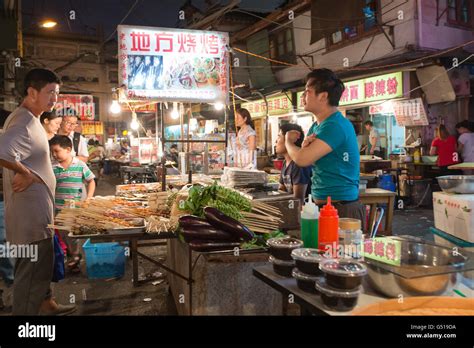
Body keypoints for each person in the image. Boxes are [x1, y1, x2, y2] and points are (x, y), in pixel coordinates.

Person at [0, 68, 76, 315]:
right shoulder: (23, 121)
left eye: (57, 92)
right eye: (50, 92)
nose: (55, 97)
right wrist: (25, 172)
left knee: (40, 271)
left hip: (36, 218)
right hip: (29, 222)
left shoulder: (30, 120)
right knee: (30, 278)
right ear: (32, 92)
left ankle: (47, 305)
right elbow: (2, 151)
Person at [285, 68, 365, 228]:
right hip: (323, 206)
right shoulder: (317, 126)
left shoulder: (334, 125)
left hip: (341, 209)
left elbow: (301, 159)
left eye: (307, 91)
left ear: (323, 96)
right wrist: (302, 148)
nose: (303, 96)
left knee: (340, 252)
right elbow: (305, 157)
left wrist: (288, 142)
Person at [50, 135, 95, 273]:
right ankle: (73, 254)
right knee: (64, 235)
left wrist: (88, 198)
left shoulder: (80, 165)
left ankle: (75, 255)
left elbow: (91, 181)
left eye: (56, 151)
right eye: (52, 152)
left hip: (75, 209)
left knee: (73, 234)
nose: (54, 154)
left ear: (68, 149)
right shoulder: (53, 168)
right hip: (59, 209)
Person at [275, 123, 312, 205]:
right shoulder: (286, 162)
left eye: (279, 136)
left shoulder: (298, 164)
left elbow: (299, 200)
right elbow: (282, 189)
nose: (276, 141)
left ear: (291, 139)